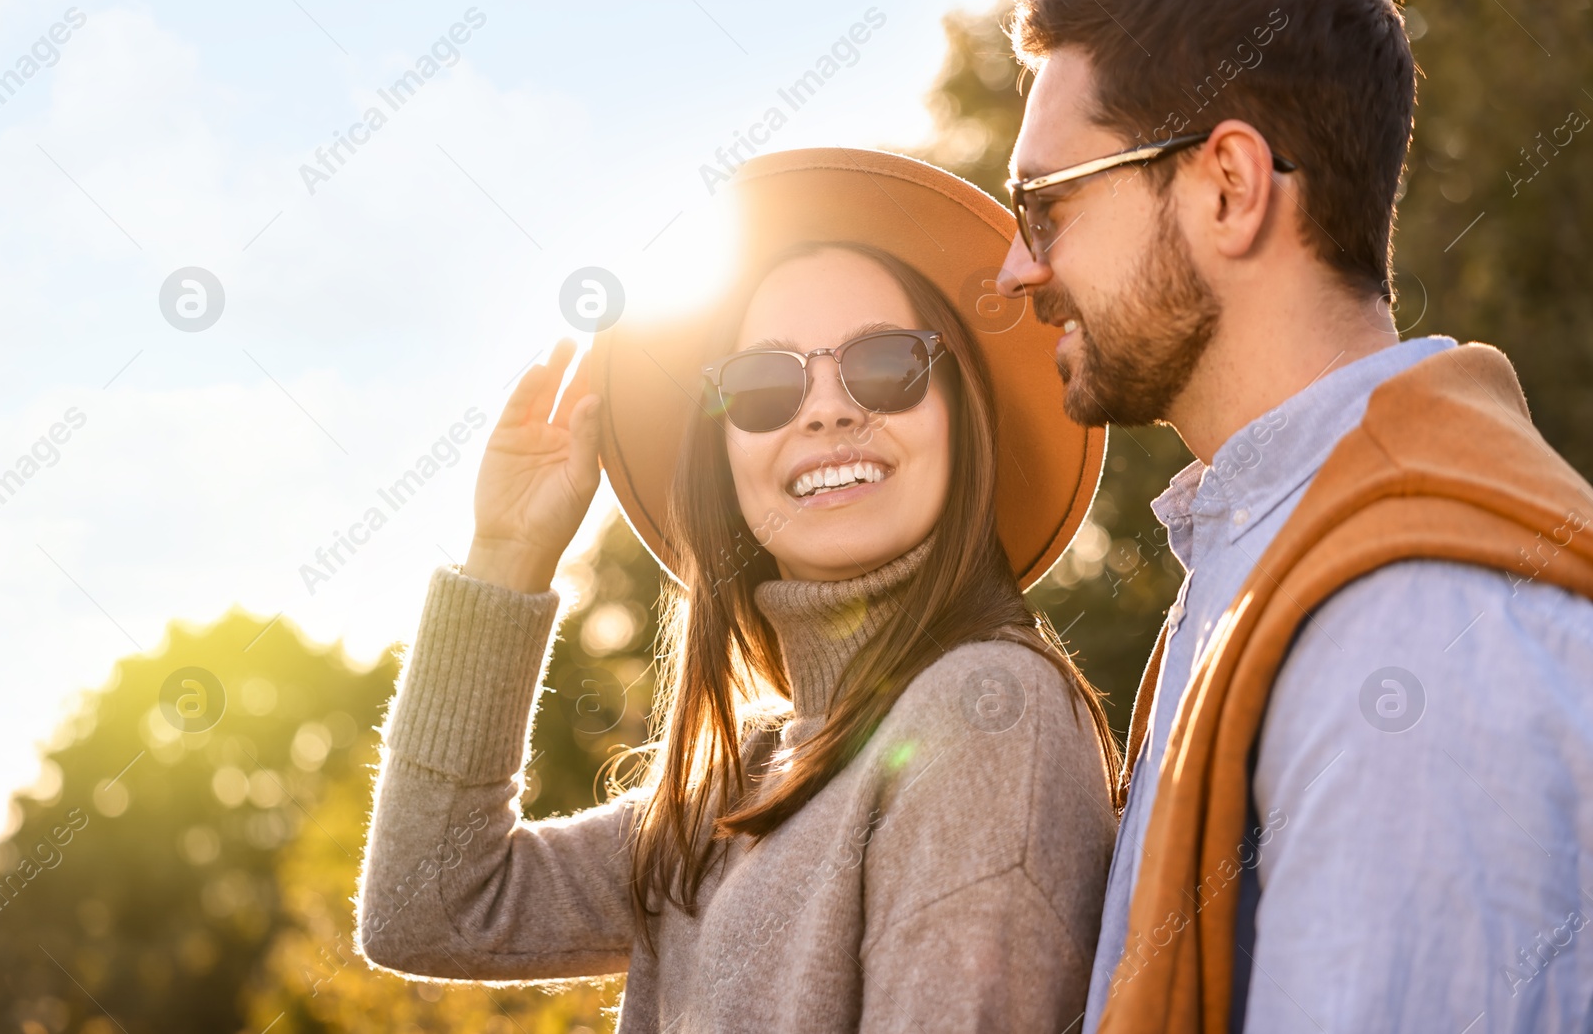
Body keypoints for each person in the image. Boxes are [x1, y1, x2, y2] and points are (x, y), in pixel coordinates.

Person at [356, 148, 1122, 1032]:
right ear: (724, 457)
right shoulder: (737, 786)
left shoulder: (989, 708)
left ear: (960, 409)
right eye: (764, 384)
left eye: (884, 364)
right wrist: (506, 554)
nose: (827, 409)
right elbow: (430, 905)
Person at [995, 0, 1593, 1031]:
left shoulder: (1412, 630)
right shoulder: (1265, 559)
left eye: (1044, 206)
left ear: (1227, 185)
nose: (1013, 267)